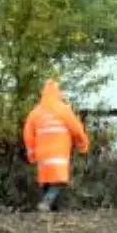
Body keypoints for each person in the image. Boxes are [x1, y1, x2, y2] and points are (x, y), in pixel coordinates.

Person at [22, 79, 91, 213]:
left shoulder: (36, 112)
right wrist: (83, 144)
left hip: (42, 152)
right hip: (58, 151)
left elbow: (28, 134)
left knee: (47, 180)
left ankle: (52, 210)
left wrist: (31, 153)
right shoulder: (63, 109)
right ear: (58, 93)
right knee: (59, 180)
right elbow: (76, 129)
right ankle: (46, 203)